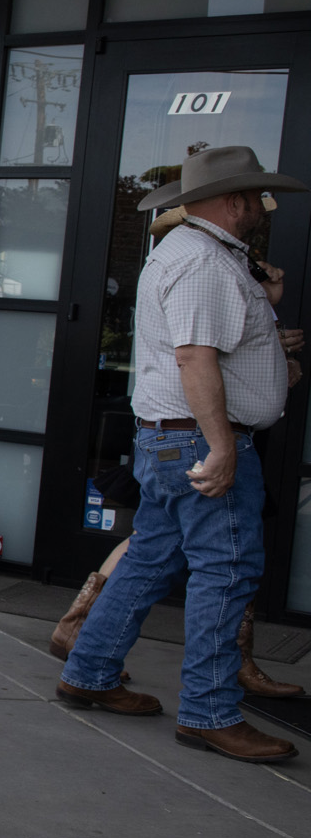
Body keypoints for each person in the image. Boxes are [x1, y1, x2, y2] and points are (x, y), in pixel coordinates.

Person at [57, 145, 307, 763]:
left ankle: (88, 672)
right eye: (258, 198)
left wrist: (269, 340)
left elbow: (212, 347)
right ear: (236, 200)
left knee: (149, 558)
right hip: (196, 437)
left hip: (172, 435)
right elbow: (194, 357)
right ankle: (209, 713)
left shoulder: (194, 253)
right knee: (227, 569)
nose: (262, 208)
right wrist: (222, 446)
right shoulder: (203, 261)